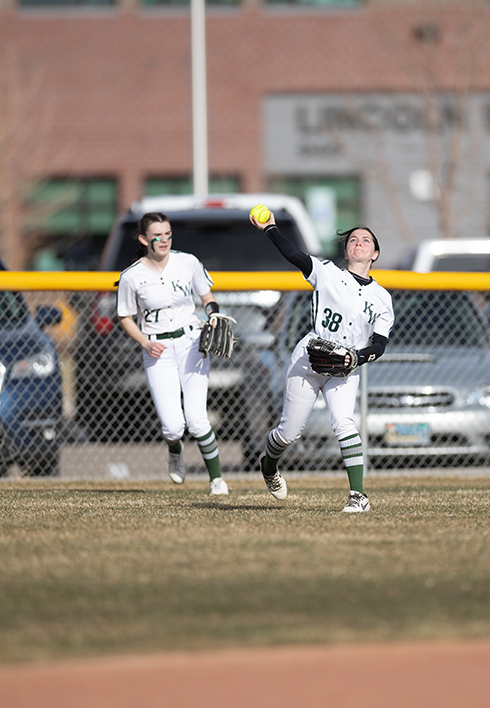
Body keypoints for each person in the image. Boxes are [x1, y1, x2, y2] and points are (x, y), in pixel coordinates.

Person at [250, 211, 394, 512]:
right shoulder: (328, 273)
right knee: (289, 433)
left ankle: (359, 496)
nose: (358, 242)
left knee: (344, 423)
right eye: (353, 240)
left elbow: (380, 344)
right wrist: (271, 228)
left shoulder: (382, 298)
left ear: (375, 254)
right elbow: (292, 254)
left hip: (346, 365)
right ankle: (269, 465)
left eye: (366, 240)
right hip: (310, 357)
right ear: (346, 251)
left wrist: (357, 357)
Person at [116, 211, 229, 495]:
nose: (164, 240)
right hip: (157, 349)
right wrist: (144, 342)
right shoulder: (131, 276)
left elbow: (207, 297)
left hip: (191, 342)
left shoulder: (187, 262)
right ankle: (175, 451)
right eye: (157, 235)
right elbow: (125, 317)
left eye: (168, 234)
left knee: (197, 419)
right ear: (144, 239)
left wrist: (213, 314)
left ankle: (217, 479)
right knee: (173, 427)